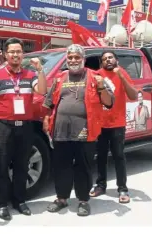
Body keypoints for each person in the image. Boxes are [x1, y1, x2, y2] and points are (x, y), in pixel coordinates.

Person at [42, 44, 114, 216]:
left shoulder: (95, 77)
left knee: (83, 166)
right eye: (70, 57)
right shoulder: (60, 78)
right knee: (61, 166)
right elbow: (49, 102)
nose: (73, 60)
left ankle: (83, 201)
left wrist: (101, 87)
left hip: (85, 131)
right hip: (60, 131)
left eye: (77, 57)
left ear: (83, 59)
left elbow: (109, 102)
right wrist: (46, 119)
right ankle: (62, 199)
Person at [0, 37, 47, 221]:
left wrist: (40, 69)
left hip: (25, 127)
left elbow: (41, 91)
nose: (15, 55)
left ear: (22, 54)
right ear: (5, 54)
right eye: (12, 51)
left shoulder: (30, 74)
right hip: (3, 126)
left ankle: (19, 201)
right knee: (1, 167)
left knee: (22, 165)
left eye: (19, 51)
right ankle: (1, 204)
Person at [89, 51, 137, 204]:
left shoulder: (122, 73)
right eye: (104, 59)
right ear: (101, 62)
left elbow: (134, 96)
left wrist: (121, 76)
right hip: (100, 123)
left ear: (116, 60)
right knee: (101, 156)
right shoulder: (97, 74)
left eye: (110, 57)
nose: (107, 60)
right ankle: (100, 185)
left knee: (118, 156)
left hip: (117, 123)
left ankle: (122, 188)